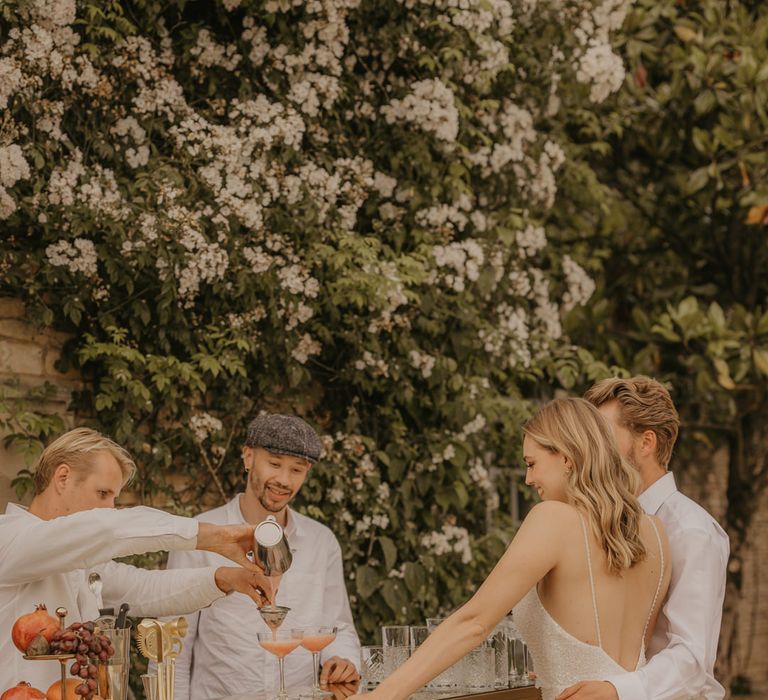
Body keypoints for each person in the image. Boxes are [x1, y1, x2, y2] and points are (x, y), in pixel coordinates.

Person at [354, 397, 671, 700]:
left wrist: (382, 694)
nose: (528, 479)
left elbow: (474, 622)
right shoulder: (655, 532)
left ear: (567, 457)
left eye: (532, 463)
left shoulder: (553, 519)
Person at [0, 427, 273, 690]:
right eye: (103, 493)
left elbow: (144, 589)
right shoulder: (9, 539)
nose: (110, 508)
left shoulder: (78, 560)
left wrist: (225, 579)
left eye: (114, 498)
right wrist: (213, 536)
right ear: (62, 478)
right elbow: (108, 529)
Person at [556, 377, 730, 700]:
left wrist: (616, 690)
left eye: (603, 436)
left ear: (646, 443)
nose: (593, 450)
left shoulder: (692, 531)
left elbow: (692, 660)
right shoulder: (601, 523)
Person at [168, 413, 361, 700]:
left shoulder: (322, 541)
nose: (283, 480)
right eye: (274, 464)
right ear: (248, 457)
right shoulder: (201, 536)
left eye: (297, 470)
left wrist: (343, 660)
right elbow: (175, 645)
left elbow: (339, 625)